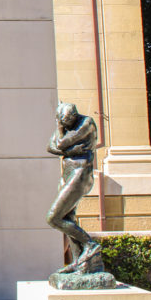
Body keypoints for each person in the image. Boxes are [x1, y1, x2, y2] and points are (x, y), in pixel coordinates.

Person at [46, 102, 102, 274]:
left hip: (80, 173)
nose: (64, 125)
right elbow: (50, 147)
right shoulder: (66, 125)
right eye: (62, 122)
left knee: (53, 218)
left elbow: (60, 143)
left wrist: (59, 128)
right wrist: (69, 151)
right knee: (67, 218)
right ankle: (79, 262)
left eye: (66, 122)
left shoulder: (86, 123)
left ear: (73, 116)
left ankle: (90, 245)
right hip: (68, 171)